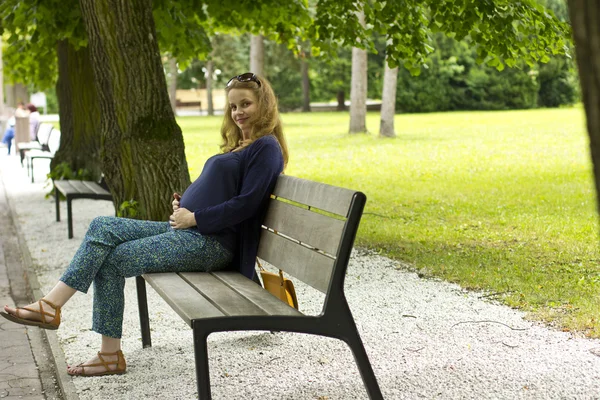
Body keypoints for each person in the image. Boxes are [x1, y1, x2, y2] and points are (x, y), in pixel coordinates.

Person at [1, 73, 289, 377]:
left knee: (113, 260)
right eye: (232, 107)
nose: (238, 112)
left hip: (211, 244)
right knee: (103, 226)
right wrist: (186, 204)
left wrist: (195, 216)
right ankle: (51, 306)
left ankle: (104, 352)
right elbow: (225, 189)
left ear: (265, 105)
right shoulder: (241, 144)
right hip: (189, 230)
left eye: (246, 104)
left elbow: (248, 204)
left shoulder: (266, 148)